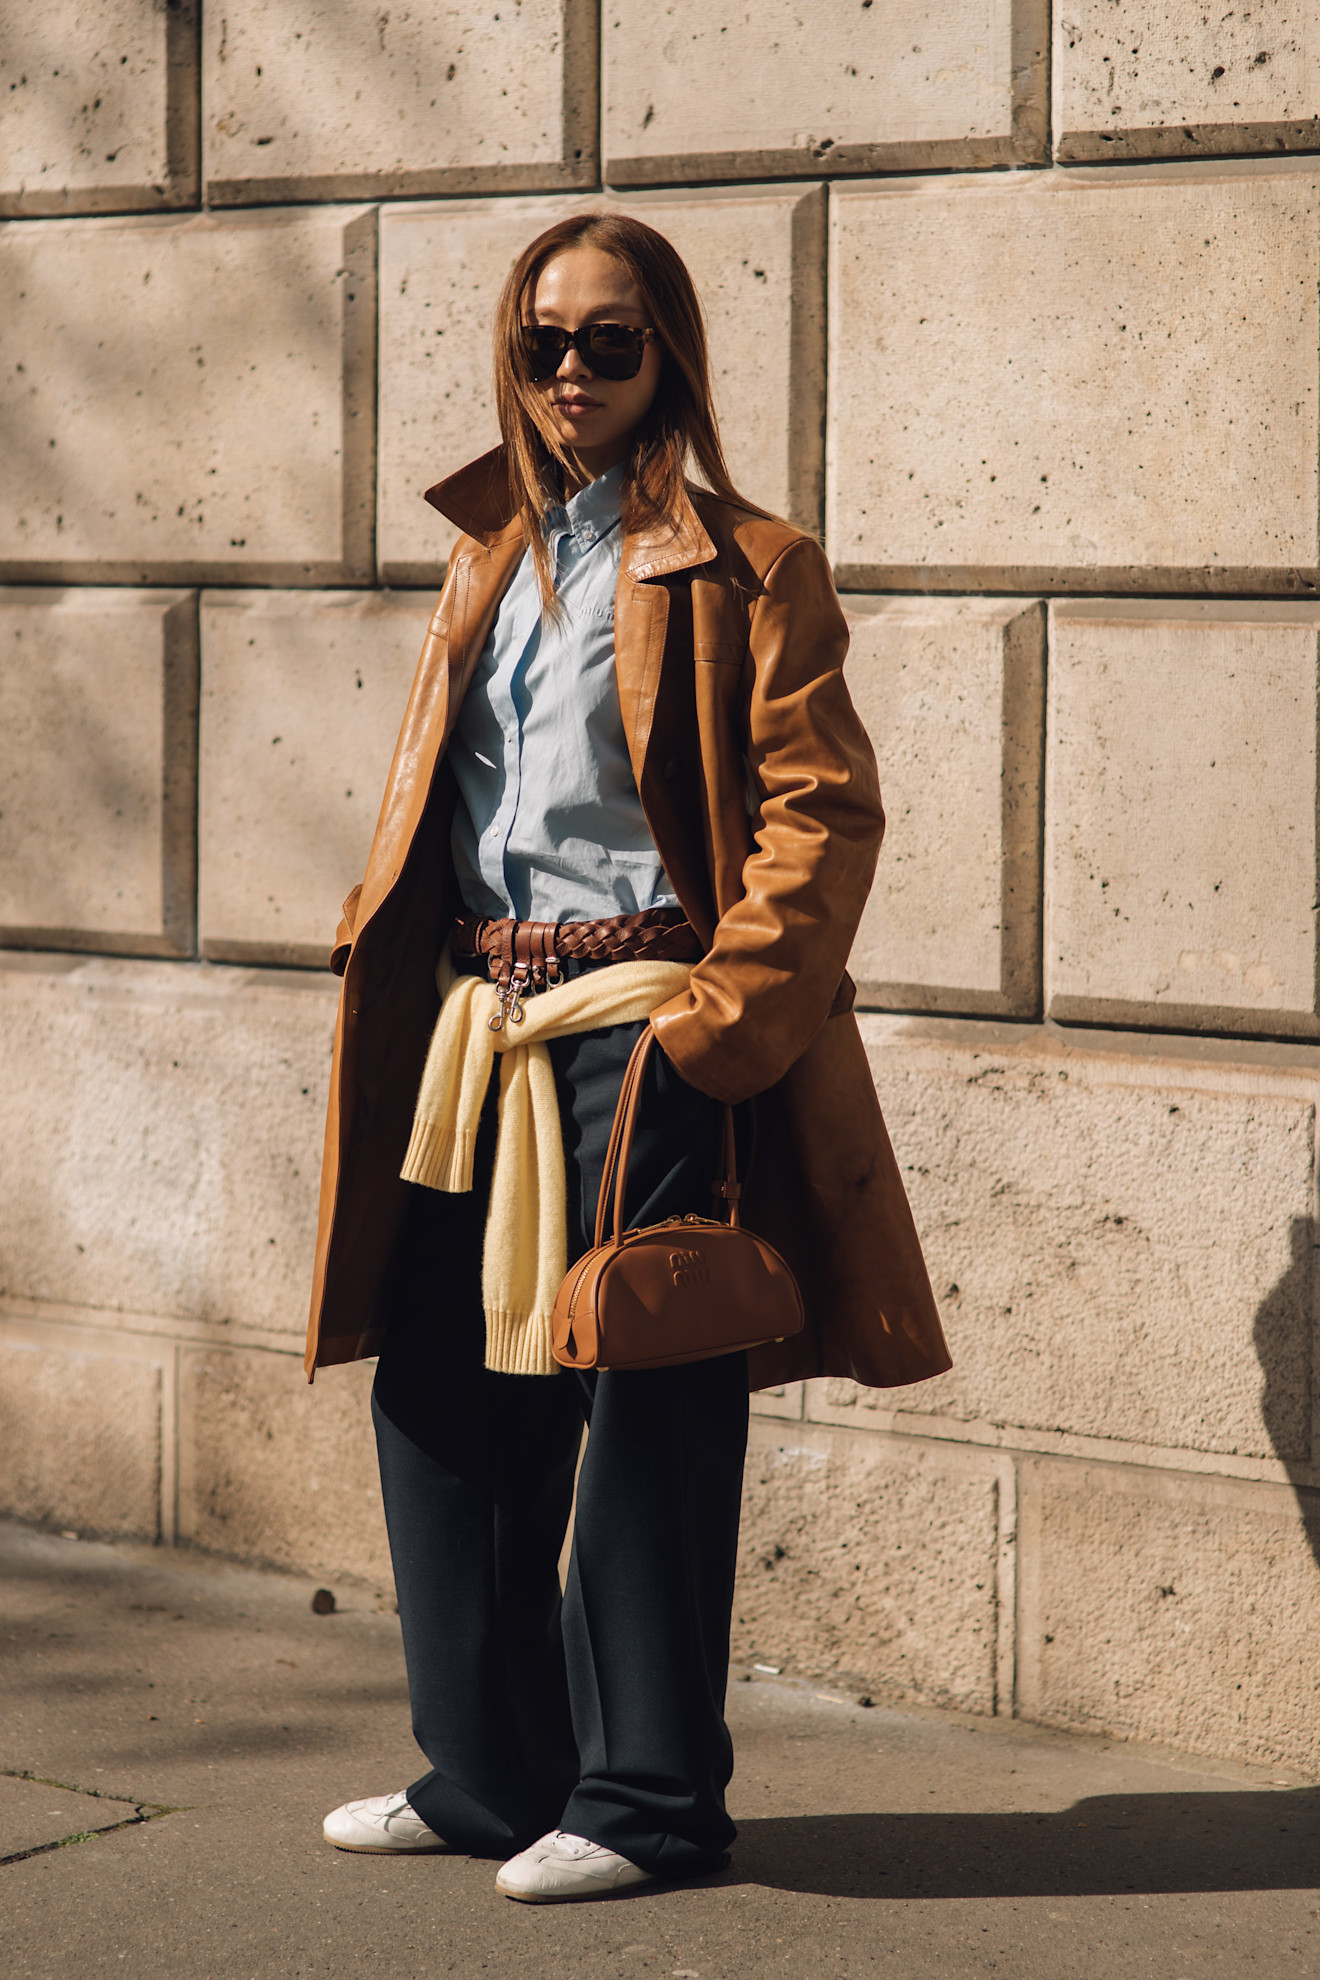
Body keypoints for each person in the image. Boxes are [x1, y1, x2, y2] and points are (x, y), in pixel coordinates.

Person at [306, 211, 950, 1903]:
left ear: (668, 352)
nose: (573, 372)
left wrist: (715, 1029)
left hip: (643, 1026)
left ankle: (651, 1803)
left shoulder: (749, 565)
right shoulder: (487, 555)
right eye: (544, 342)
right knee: (439, 1390)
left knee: (648, 1394)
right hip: (477, 1028)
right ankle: (488, 1775)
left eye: (610, 340)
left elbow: (826, 813)